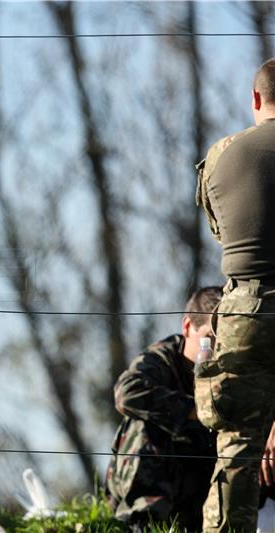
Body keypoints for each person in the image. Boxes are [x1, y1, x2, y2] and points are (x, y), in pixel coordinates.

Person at [194, 57, 275, 532]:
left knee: (237, 453)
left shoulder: (222, 155)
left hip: (245, 310)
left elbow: (220, 230)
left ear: (255, 99)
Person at [105, 287, 221, 531]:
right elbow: (126, 393)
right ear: (188, 326)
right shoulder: (163, 359)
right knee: (144, 424)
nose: (216, 349)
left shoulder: (236, 367)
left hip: (204, 491)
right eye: (210, 338)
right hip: (161, 485)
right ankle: (142, 523)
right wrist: (197, 410)